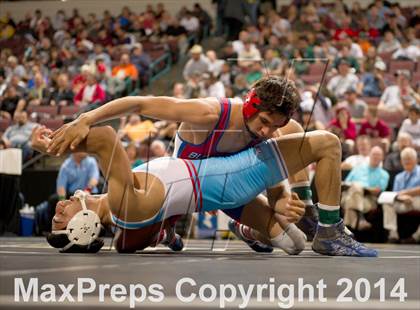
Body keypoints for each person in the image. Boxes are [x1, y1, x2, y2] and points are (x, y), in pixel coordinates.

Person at [45, 76, 377, 257]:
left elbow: (269, 155)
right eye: (263, 122)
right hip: (197, 183)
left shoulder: (270, 128)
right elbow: (140, 103)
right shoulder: (208, 114)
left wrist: (283, 196)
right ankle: (318, 226)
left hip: (219, 189)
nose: (265, 132)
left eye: (272, 127)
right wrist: (85, 118)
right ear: (248, 106)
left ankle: (254, 228)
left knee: (295, 242)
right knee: (309, 145)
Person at [342, 146, 389, 231]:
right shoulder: (357, 168)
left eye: (378, 155)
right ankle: (360, 219)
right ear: (369, 155)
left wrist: (362, 188)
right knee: (355, 188)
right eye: (374, 154)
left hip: (369, 199)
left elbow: (377, 191)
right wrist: (357, 187)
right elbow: (346, 183)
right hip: (349, 194)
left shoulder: (384, 174)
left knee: (354, 191)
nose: (376, 157)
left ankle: (346, 229)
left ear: (382, 157)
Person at [383, 147, 420, 243]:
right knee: (387, 203)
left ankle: (416, 237)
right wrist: (401, 197)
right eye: (404, 159)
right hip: (403, 202)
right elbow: (395, 194)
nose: (406, 161)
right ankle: (393, 235)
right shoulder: (399, 177)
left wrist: (406, 193)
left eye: (409, 158)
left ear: (416, 160)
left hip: (417, 200)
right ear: (401, 161)